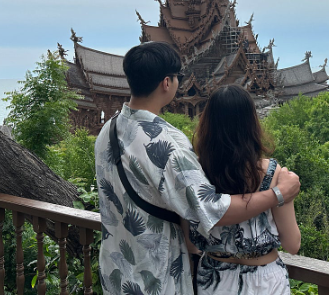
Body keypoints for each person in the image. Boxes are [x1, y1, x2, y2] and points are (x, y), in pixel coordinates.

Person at [95, 42, 300, 295]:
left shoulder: (108, 131)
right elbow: (212, 211)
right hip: (157, 277)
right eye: (178, 77)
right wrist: (279, 193)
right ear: (167, 83)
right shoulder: (168, 143)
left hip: (116, 271)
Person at [186, 84, 300, 295]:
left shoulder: (195, 172)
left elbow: (190, 241)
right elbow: (292, 244)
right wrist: (285, 193)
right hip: (265, 282)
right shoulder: (272, 173)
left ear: (208, 124)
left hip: (213, 280)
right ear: (251, 124)